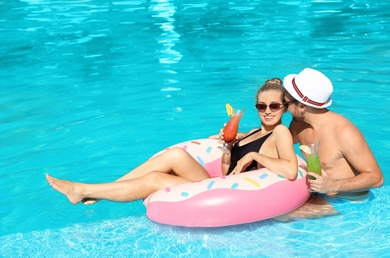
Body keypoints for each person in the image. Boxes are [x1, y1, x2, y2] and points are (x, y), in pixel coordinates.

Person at [46, 79, 298, 205]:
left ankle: (83, 190)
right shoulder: (253, 131)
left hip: (233, 192)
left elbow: (290, 169)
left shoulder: (281, 134)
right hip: (222, 181)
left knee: (155, 179)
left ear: (284, 108)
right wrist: (228, 149)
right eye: (261, 105)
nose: (267, 110)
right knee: (176, 154)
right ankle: (105, 190)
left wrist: (254, 157)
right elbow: (227, 171)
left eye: (274, 105)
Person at [282, 68, 384, 201]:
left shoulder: (343, 132)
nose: (283, 108)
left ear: (302, 106)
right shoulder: (298, 123)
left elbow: (377, 178)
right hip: (319, 195)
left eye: (286, 103)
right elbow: (281, 143)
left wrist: (332, 185)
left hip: (348, 202)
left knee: (282, 218)